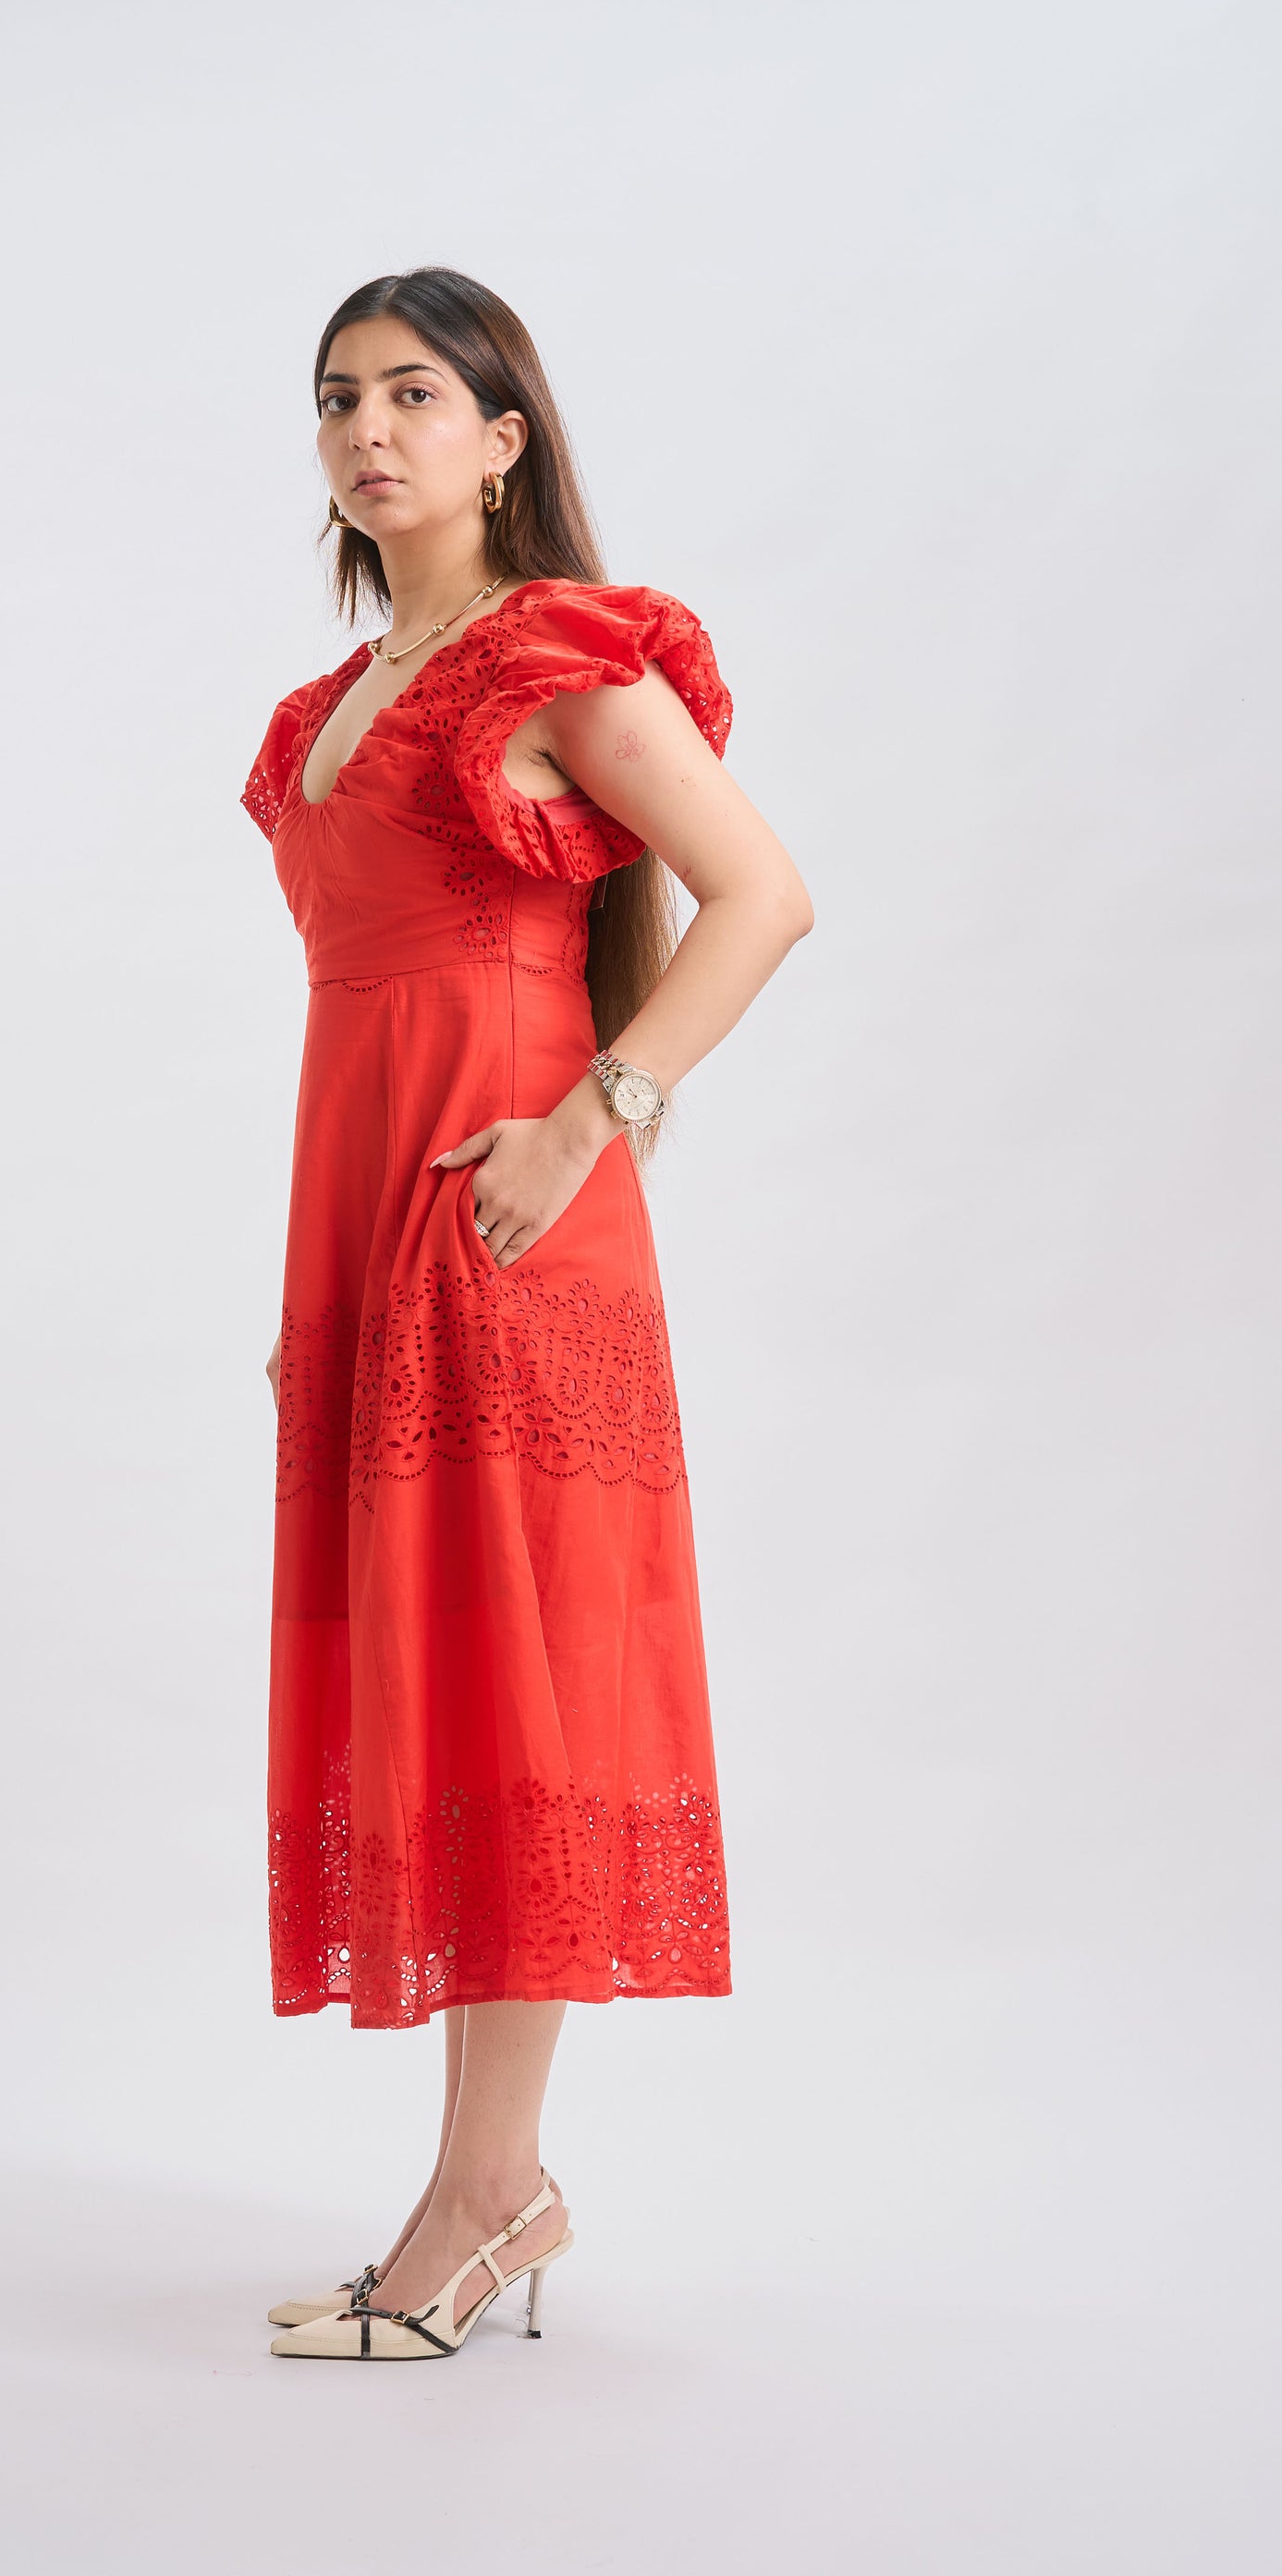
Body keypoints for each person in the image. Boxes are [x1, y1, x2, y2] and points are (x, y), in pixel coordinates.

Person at [241, 268, 812, 2362]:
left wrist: (594, 1116)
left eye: (414, 392)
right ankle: (492, 2189)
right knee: (441, 1697)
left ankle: (487, 2194)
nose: (367, 430)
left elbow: (762, 888)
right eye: (335, 400)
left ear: (504, 438)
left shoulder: (560, 651)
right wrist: (316, 1301)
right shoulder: (325, 712)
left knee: (518, 1702)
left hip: (508, 1229)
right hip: (369, 1232)